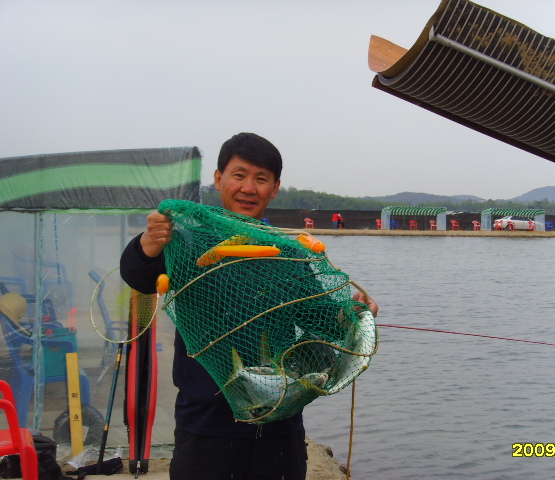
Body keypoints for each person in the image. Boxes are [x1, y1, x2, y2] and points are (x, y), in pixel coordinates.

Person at [120, 132, 378, 480]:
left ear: (275, 188)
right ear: (219, 179)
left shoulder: (290, 254)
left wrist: (353, 314)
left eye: (261, 179)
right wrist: (149, 242)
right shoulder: (189, 241)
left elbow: (322, 322)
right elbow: (137, 276)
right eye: (239, 175)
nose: (248, 188)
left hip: (280, 427)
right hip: (205, 427)